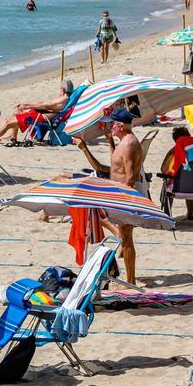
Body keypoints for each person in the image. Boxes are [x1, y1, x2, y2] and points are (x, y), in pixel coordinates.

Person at [69, 109, 144, 284]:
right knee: (100, 217)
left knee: (126, 238)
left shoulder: (129, 144)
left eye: (112, 124)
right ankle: (130, 278)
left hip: (126, 192)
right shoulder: (122, 142)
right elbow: (112, 168)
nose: (109, 126)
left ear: (121, 126)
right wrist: (104, 143)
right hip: (119, 190)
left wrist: (122, 199)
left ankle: (131, 281)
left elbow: (131, 176)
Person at [0, 80, 74, 143]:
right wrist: (24, 104)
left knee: (7, 123)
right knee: (16, 111)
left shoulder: (62, 100)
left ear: (63, 90)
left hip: (39, 118)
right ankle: (13, 136)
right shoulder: (66, 99)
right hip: (39, 114)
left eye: (60, 88)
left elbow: (45, 105)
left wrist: (27, 106)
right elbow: (42, 103)